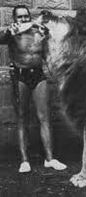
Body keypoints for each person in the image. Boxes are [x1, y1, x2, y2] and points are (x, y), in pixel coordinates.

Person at [0, 5, 67, 172]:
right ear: (15, 19)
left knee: (44, 117)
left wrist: (47, 34)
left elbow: (50, 51)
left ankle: (50, 159)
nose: (23, 19)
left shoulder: (38, 31)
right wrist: (8, 32)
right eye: (20, 17)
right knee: (22, 118)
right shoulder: (12, 32)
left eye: (25, 16)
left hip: (38, 75)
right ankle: (24, 160)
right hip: (20, 75)